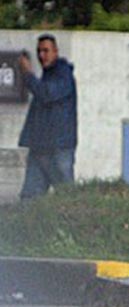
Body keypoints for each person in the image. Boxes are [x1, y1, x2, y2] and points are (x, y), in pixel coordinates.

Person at [17, 33, 77, 199]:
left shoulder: (63, 74)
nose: (42, 56)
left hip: (59, 148)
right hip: (40, 148)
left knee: (66, 198)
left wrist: (28, 74)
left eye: (46, 51)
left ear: (56, 52)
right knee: (29, 199)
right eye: (39, 51)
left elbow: (46, 94)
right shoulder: (47, 76)